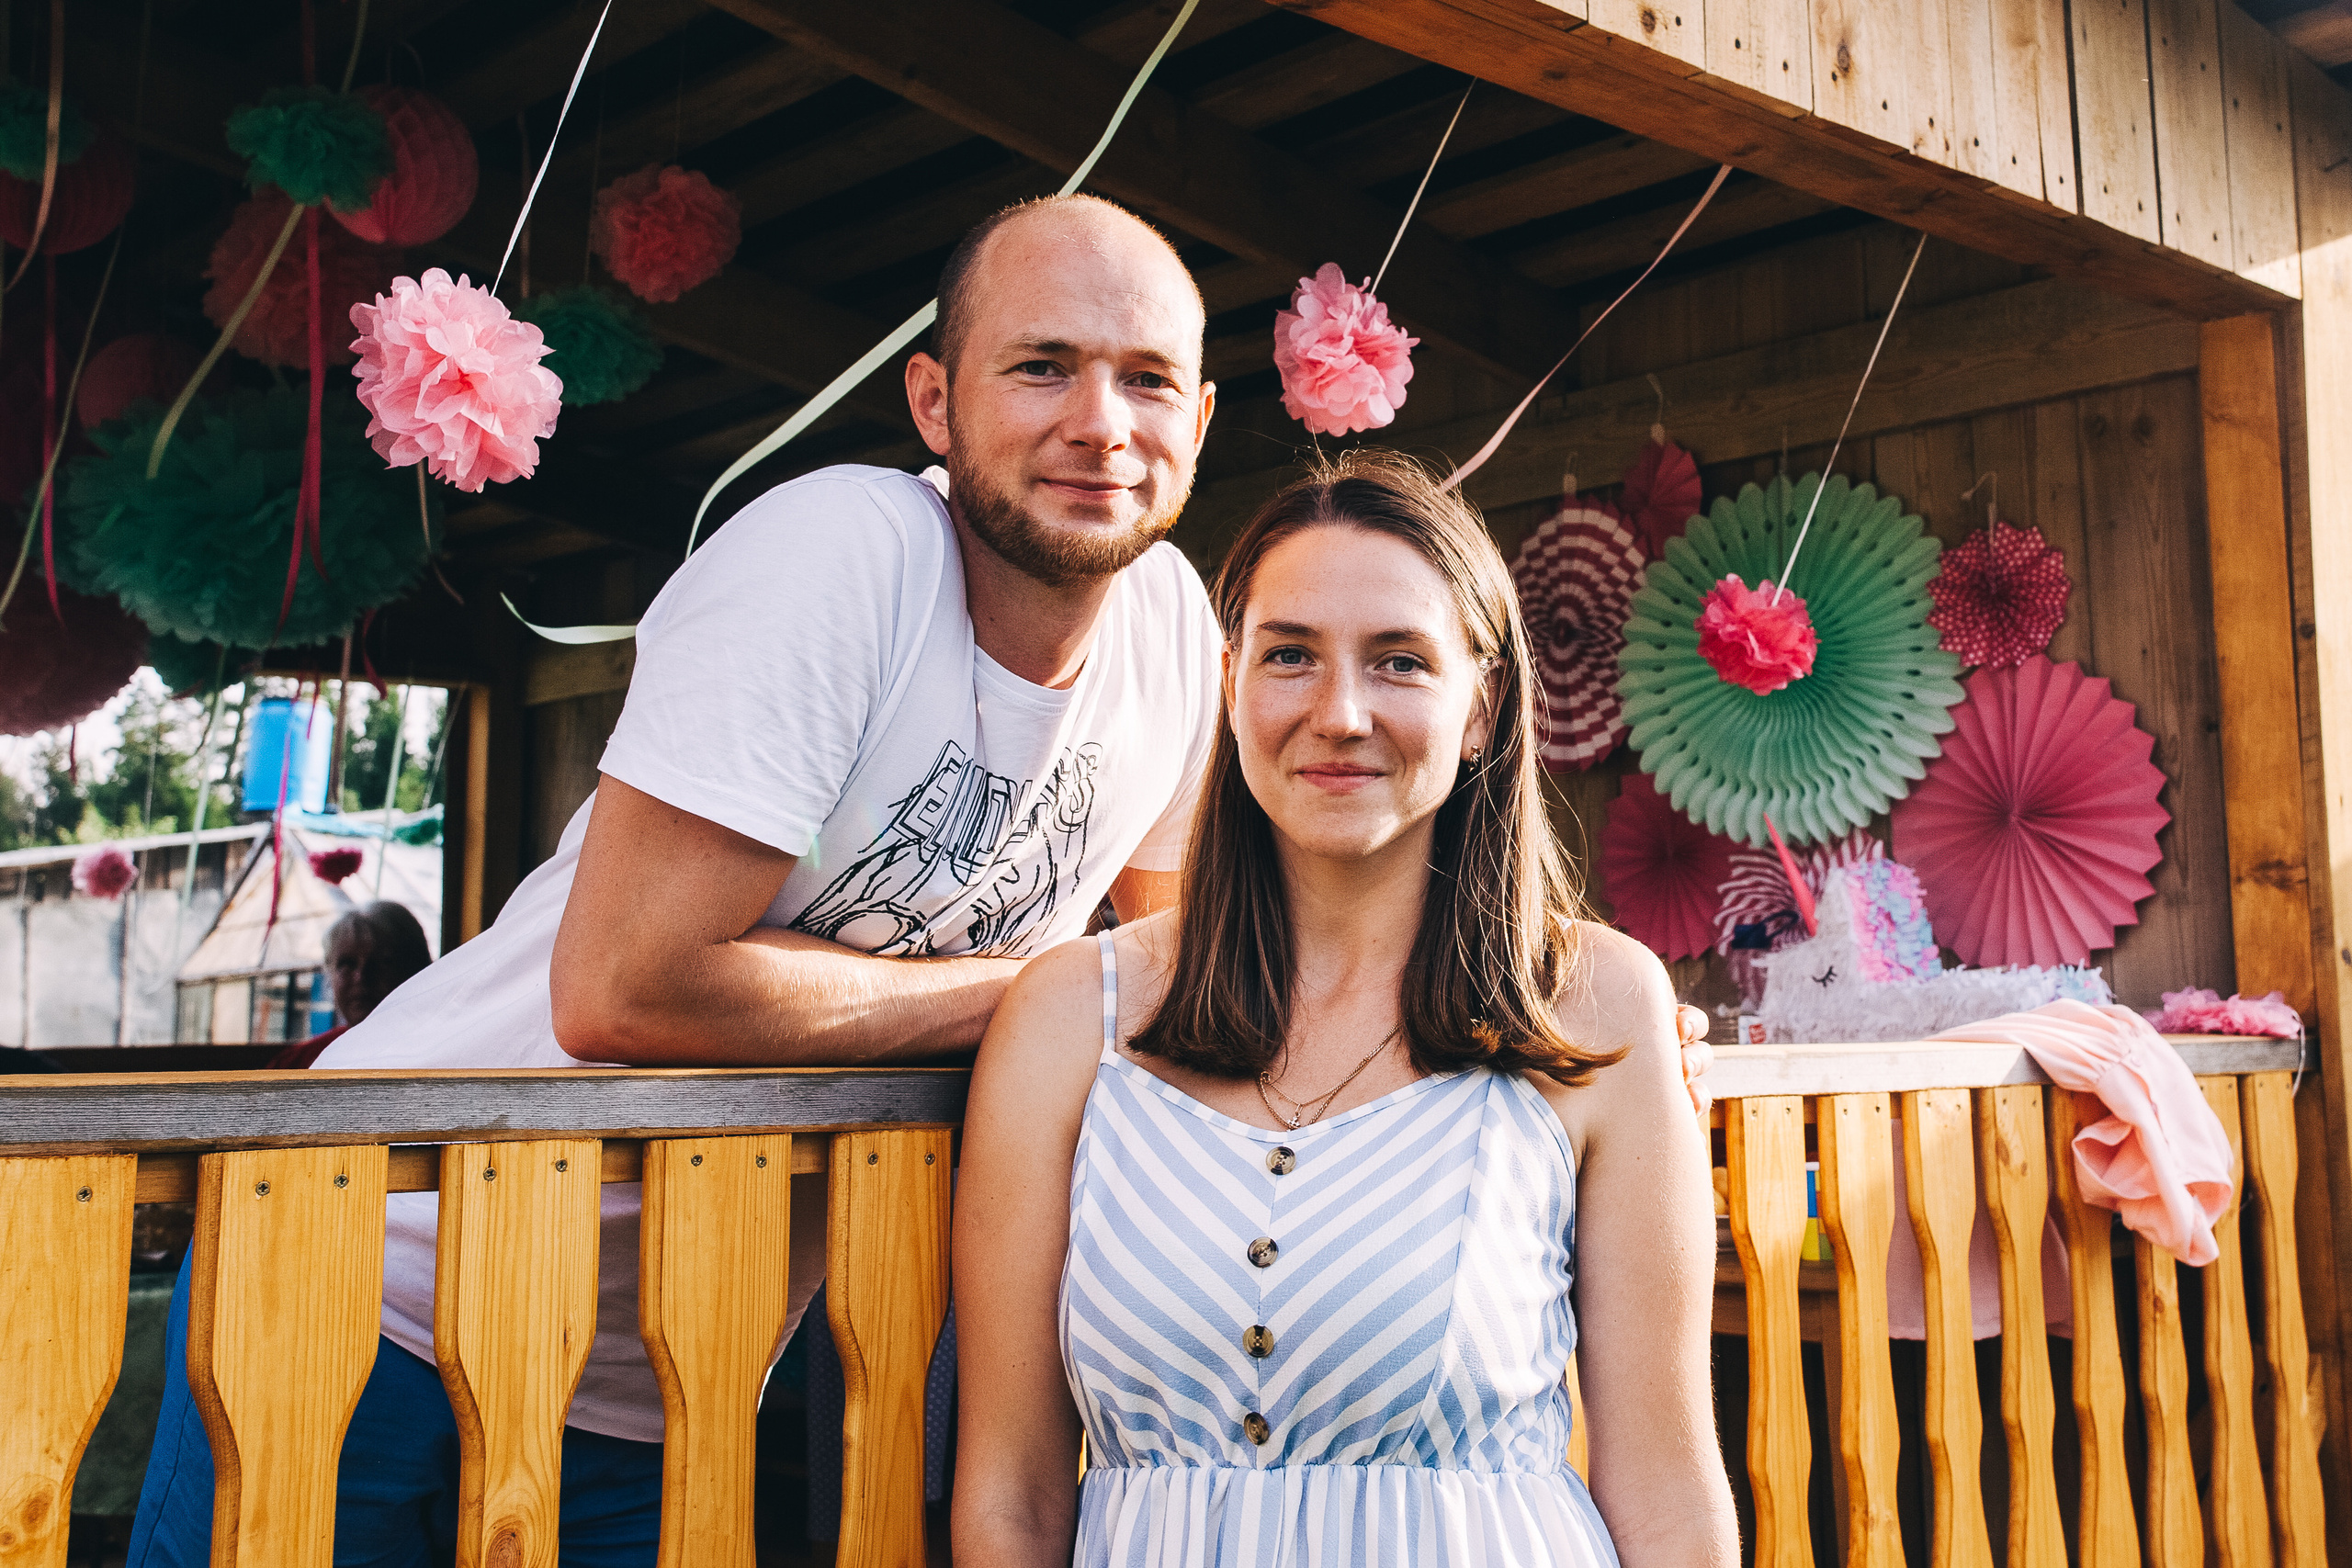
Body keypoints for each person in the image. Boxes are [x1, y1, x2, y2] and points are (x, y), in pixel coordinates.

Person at [130, 195, 1711, 1564]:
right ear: (935, 402)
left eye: (1148, 377)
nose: (1102, 421)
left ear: (1205, 424)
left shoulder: (1172, 635)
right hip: (377, 1262)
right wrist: (1041, 1003)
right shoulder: (840, 555)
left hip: (659, 1355)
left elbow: (1212, 1007)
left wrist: (1564, 1014)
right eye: (1044, 367)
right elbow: (620, 985)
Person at [953, 451, 1739, 1563]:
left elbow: (1664, 1475)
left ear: (1484, 708)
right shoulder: (1070, 1017)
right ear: (1229, 689)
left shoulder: (1598, 1001)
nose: (1340, 713)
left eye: (1401, 661)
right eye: (1289, 657)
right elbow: (1009, 1492)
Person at [266, 900, 434, 1068]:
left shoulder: (437, 1056)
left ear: (416, 970)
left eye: (383, 962)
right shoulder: (297, 1064)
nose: (361, 977)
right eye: (347, 964)